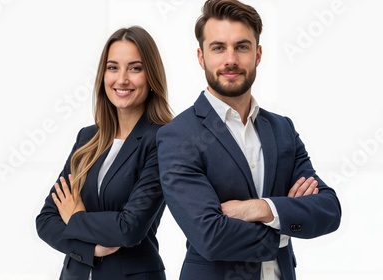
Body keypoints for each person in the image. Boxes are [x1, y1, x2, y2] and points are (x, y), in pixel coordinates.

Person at [156, 1, 341, 279]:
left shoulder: (282, 129)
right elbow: (210, 236)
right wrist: (285, 222)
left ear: (258, 54)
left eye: (241, 47)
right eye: (218, 48)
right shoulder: (178, 135)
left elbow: (328, 210)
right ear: (201, 57)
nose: (230, 59)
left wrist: (259, 208)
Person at [36, 26, 172, 280]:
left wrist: (75, 216)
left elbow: (128, 228)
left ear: (151, 75)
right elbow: (46, 219)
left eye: (135, 68)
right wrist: (91, 249)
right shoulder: (87, 138)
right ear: (103, 75)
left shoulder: (162, 140)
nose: (122, 79)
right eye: (113, 67)